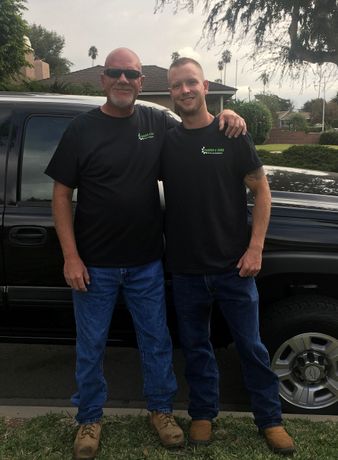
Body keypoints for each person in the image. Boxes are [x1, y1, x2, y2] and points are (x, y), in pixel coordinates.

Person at [45, 48, 246, 460]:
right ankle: (88, 418)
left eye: (131, 74)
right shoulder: (81, 129)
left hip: (146, 263)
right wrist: (71, 256)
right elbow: (61, 194)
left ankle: (161, 411)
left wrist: (232, 115)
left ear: (141, 81)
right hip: (94, 264)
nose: (123, 80)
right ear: (103, 78)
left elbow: (197, 126)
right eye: (115, 73)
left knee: (156, 342)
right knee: (91, 345)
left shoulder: (155, 121)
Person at [161, 57, 295, 456]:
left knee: (251, 347)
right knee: (197, 346)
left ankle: (270, 419)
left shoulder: (231, 133)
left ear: (205, 87)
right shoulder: (166, 141)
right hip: (185, 270)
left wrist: (255, 248)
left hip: (234, 268)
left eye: (191, 83)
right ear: (170, 93)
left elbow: (262, 191)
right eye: (177, 86)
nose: (184, 90)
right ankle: (203, 413)